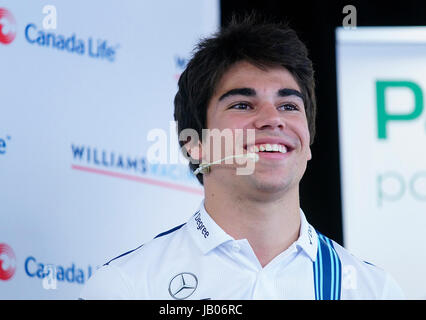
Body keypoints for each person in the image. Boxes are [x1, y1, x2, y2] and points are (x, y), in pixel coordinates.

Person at [79, 15, 404, 300]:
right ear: (195, 143)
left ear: (307, 144)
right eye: (242, 105)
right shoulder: (127, 286)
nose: (272, 119)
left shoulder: (373, 290)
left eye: (289, 105)